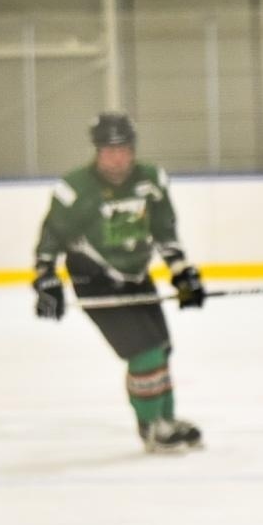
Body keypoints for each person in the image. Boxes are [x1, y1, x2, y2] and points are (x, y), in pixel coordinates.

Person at [32, 112, 206, 453]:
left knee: (162, 349)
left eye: (124, 149)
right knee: (144, 352)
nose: (118, 157)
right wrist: (45, 278)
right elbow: (52, 235)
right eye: (109, 150)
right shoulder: (75, 189)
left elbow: (164, 230)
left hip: (136, 276)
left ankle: (166, 420)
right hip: (94, 278)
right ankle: (151, 427)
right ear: (97, 151)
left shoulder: (151, 181)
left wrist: (182, 272)